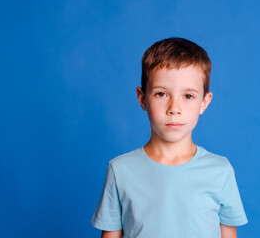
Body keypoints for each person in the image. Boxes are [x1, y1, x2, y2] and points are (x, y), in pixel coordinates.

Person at [91, 37, 248, 238]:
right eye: (161, 94)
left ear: (204, 102)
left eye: (188, 96)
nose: (174, 108)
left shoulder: (220, 171)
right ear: (142, 98)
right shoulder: (120, 170)